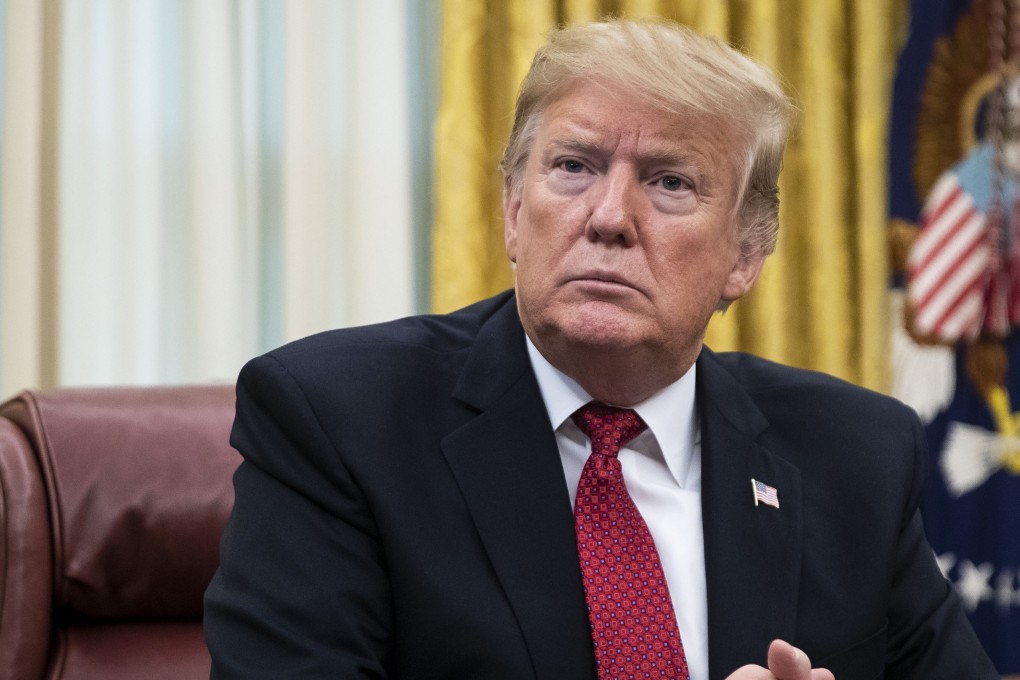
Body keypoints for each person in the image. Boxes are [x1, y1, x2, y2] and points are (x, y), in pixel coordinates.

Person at [203, 19, 998, 680]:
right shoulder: (338, 422)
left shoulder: (853, 456)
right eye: (574, 167)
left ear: (746, 255)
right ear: (513, 212)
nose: (610, 215)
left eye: (671, 182)